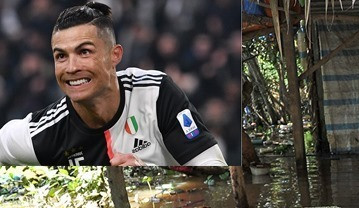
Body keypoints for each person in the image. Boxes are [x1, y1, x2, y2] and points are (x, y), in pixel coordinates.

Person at [0, 1, 226, 166]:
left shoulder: (155, 93)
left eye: (84, 51)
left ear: (115, 55)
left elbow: (213, 167)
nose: (71, 67)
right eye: (61, 56)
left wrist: (150, 175)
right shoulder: (46, 133)